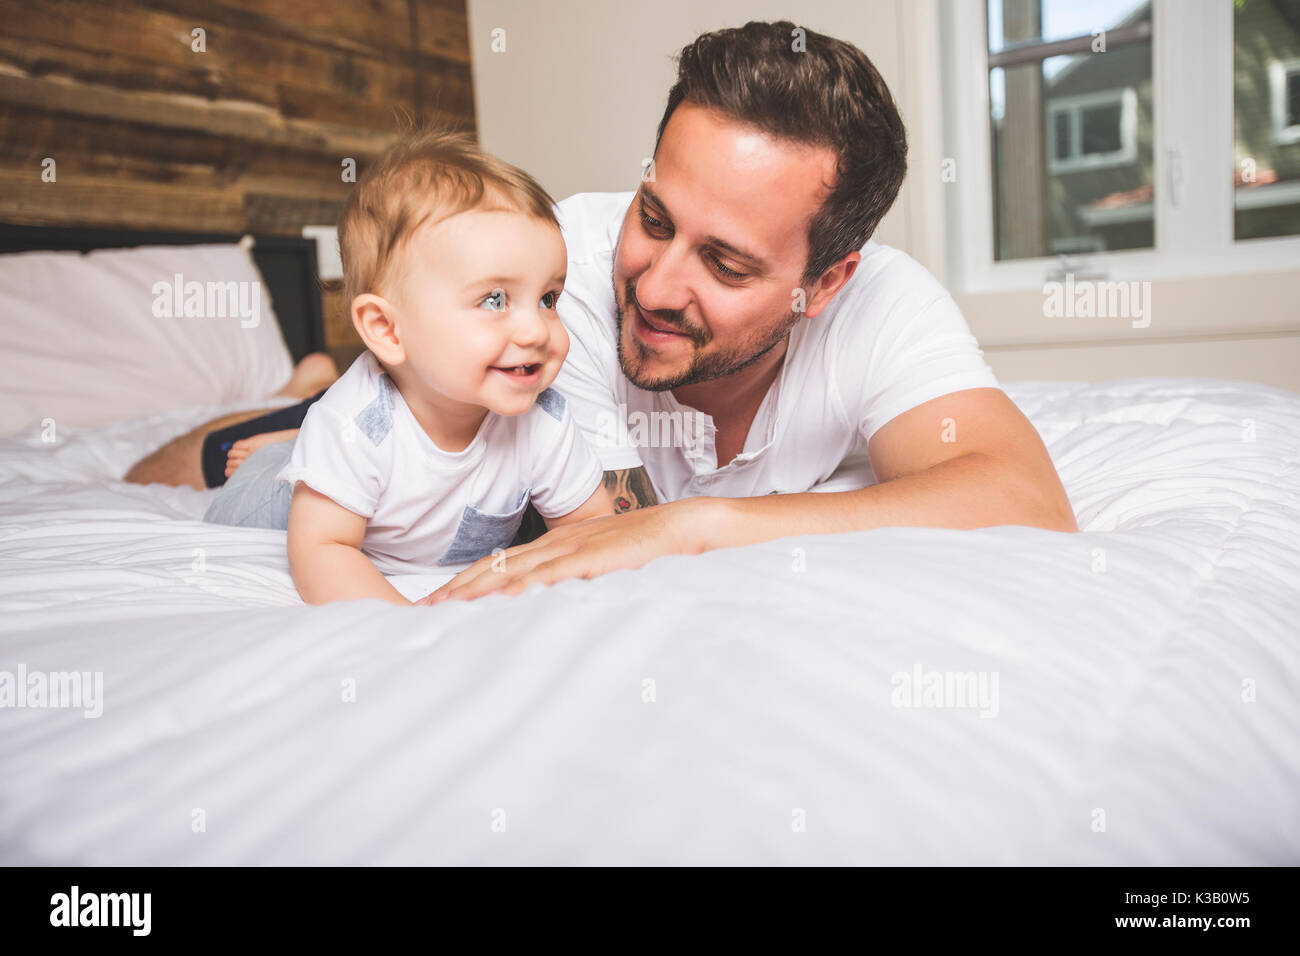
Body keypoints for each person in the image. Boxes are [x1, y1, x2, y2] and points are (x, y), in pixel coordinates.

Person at [126, 20, 1077, 605]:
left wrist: (696, 524)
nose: (657, 286)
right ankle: (300, 397)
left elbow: (1021, 498)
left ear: (823, 284)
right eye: (654, 217)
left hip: (468, 426)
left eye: (727, 262)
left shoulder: (881, 305)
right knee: (249, 469)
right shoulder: (557, 281)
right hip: (427, 410)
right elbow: (604, 531)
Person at [206, 130, 614, 606]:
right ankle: (289, 451)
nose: (537, 330)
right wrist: (407, 629)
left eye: (547, 298)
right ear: (387, 330)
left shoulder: (542, 419)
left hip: (378, 458)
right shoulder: (356, 426)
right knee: (251, 490)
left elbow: (591, 530)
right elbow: (324, 547)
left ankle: (299, 433)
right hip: (277, 500)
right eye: (495, 299)